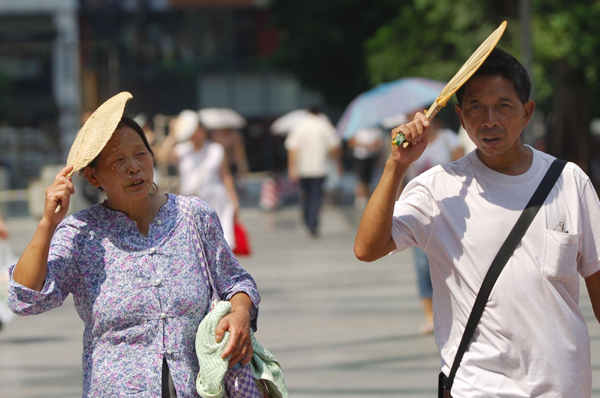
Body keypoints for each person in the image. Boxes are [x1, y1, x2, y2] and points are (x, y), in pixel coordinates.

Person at [354, 48, 600, 397]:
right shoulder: (438, 188)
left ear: (527, 112)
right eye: (475, 107)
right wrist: (396, 166)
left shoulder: (569, 182)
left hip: (565, 387)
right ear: (459, 115)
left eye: (503, 105)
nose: (488, 120)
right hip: (479, 386)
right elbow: (367, 248)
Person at [7, 111, 260, 397]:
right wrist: (47, 224)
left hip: (199, 387)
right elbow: (23, 299)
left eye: (141, 154)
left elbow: (237, 282)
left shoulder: (193, 215)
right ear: (93, 176)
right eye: (118, 160)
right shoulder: (81, 233)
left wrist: (240, 313)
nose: (134, 167)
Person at [402, 113, 462, 335]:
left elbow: (463, 167)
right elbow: (397, 167)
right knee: (422, 266)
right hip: (417, 211)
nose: (416, 119)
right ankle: (430, 316)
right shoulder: (405, 140)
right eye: (410, 117)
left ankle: (456, 312)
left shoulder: (448, 138)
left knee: (453, 263)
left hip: (450, 210)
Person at [157, 110, 240, 248]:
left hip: (216, 202)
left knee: (220, 244)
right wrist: (173, 135)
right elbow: (161, 156)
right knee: (195, 245)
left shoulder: (216, 150)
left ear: (202, 130)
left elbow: (226, 176)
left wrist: (234, 201)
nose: (194, 135)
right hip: (190, 205)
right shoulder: (183, 150)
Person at [285, 105, 342, 237]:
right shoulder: (325, 125)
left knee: (305, 195)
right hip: (320, 167)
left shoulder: (299, 126)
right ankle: (313, 222)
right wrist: (337, 161)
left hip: (302, 168)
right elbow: (335, 145)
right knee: (316, 196)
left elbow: (292, 149)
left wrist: (292, 168)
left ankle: (307, 218)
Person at [347, 126, 384, 208]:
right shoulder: (357, 130)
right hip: (359, 157)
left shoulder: (376, 130)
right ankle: (361, 197)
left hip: (371, 157)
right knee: (361, 177)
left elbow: (378, 144)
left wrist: (365, 145)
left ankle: (367, 196)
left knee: (369, 178)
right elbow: (351, 142)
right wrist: (366, 145)